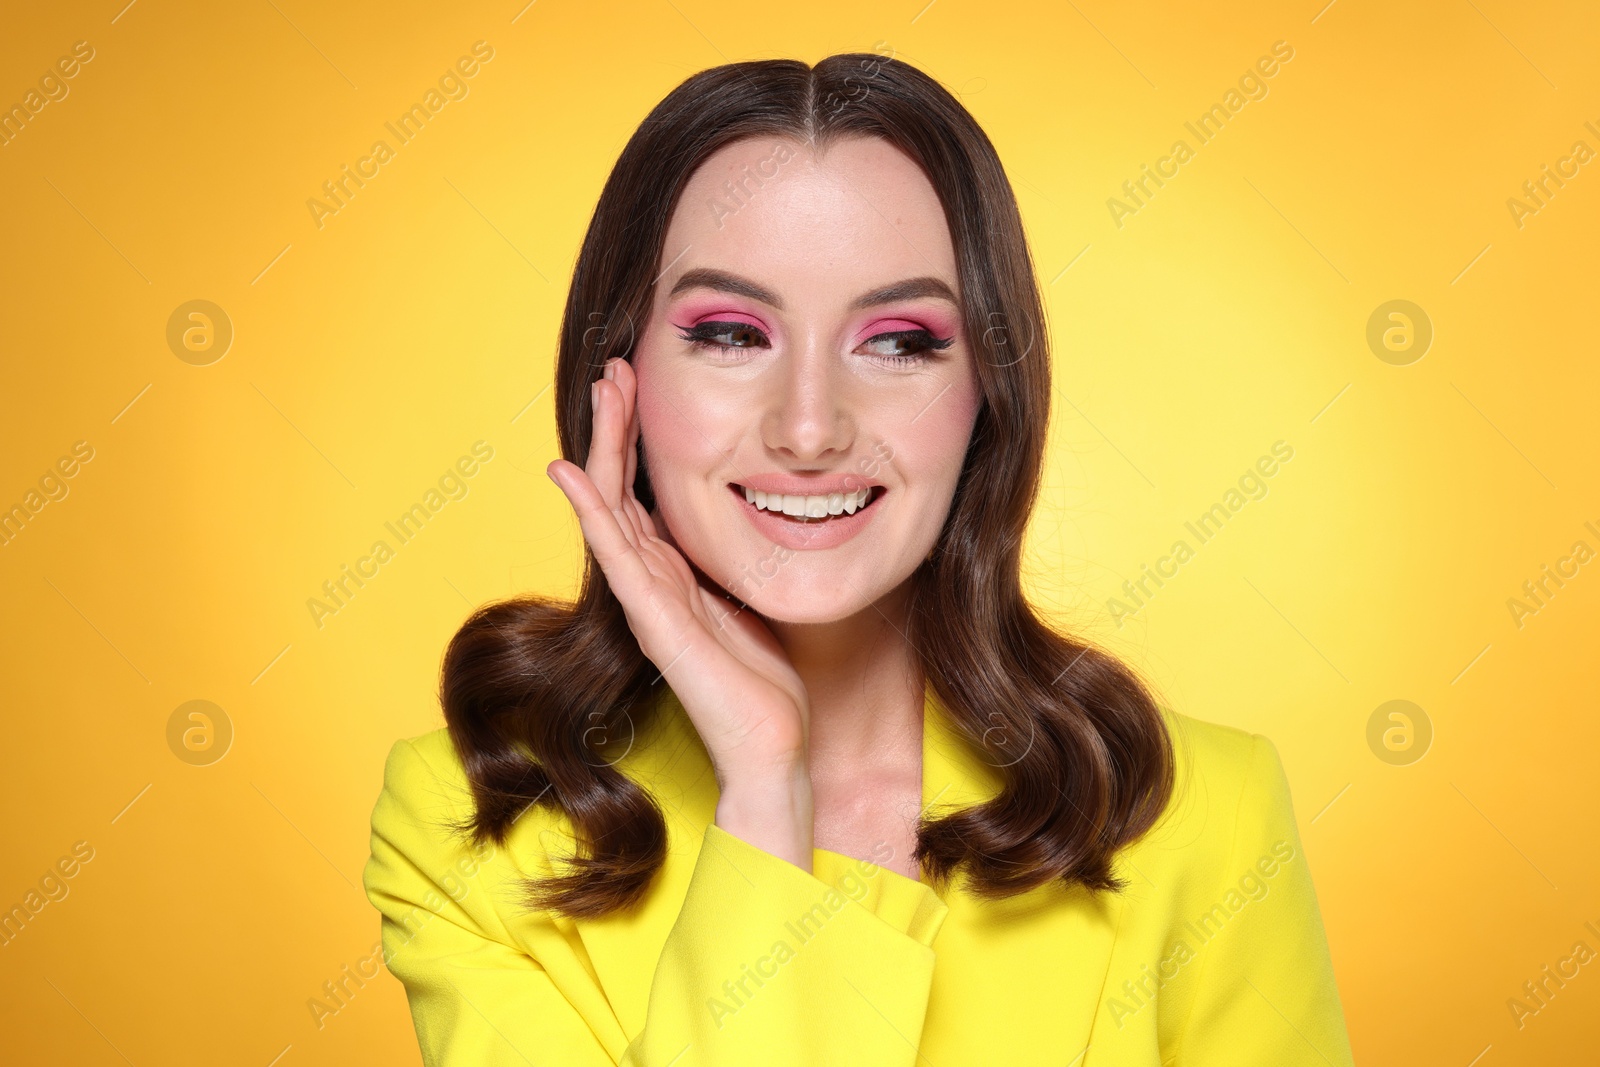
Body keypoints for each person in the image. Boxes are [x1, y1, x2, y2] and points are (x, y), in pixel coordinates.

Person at [363, 50, 1356, 1066]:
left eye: (897, 342)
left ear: (986, 395)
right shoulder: (462, 825)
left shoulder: (1203, 811)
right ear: (615, 381)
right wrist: (763, 783)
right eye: (730, 331)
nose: (807, 429)